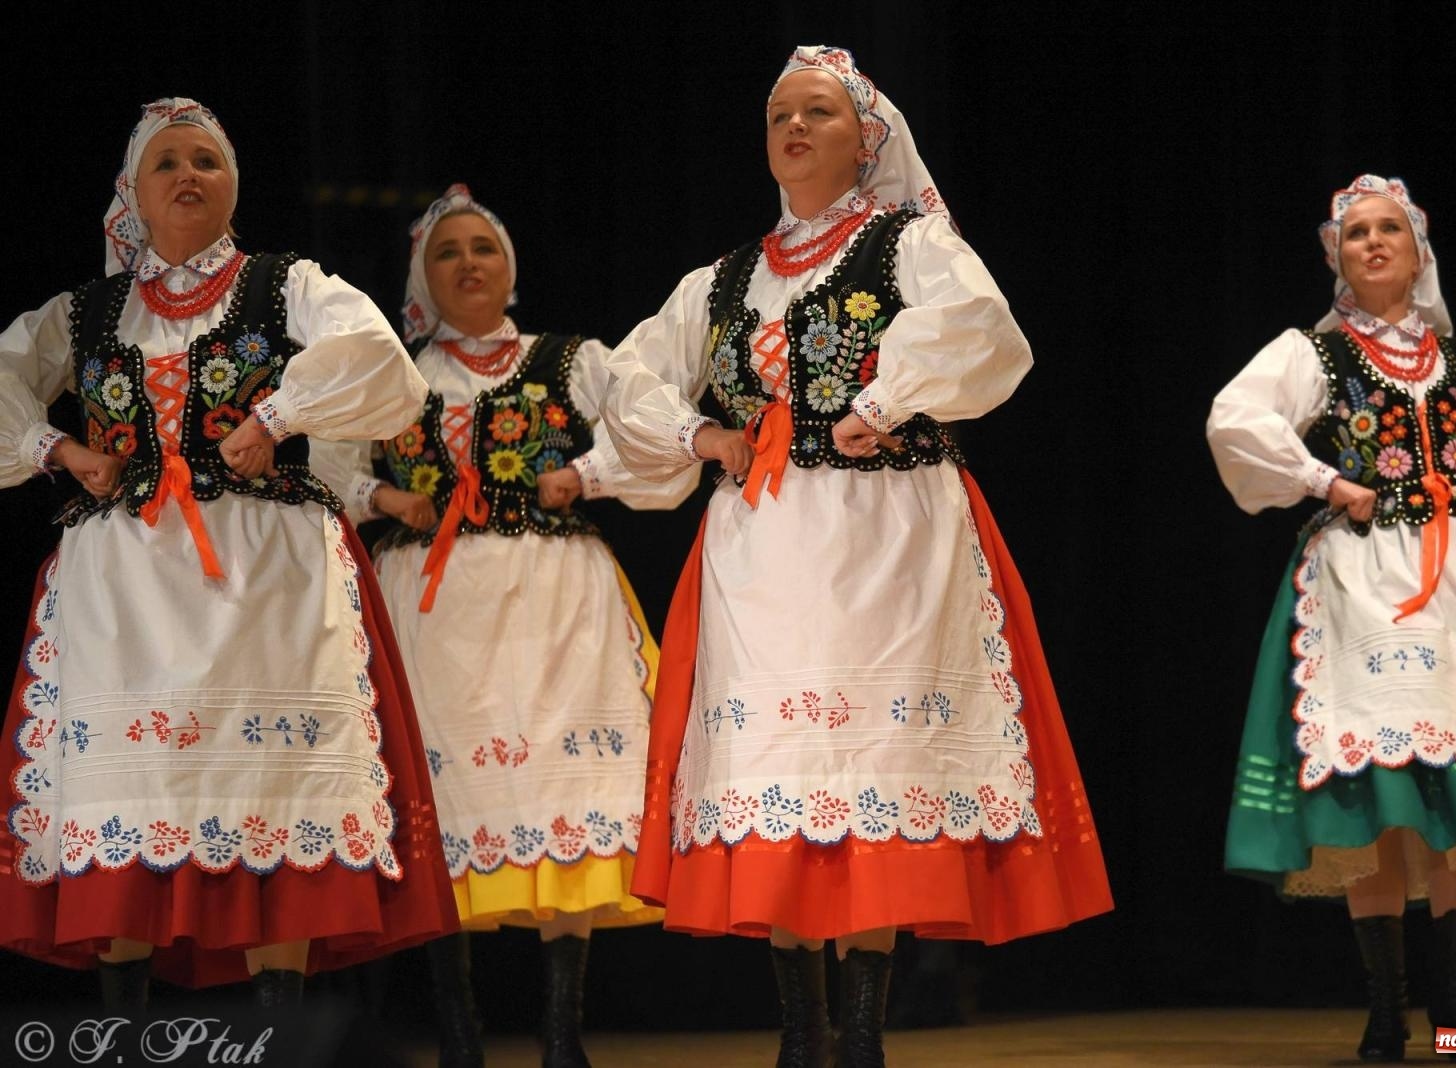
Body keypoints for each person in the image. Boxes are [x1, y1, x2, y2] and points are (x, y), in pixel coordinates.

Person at [601, 45, 1113, 1066]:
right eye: (780, 114)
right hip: (763, 545)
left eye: (819, 112)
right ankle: (803, 1034)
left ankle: (864, 1034)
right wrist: (700, 435)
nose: (794, 127)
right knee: (783, 768)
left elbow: (983, 331)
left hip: (888, 534)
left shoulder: (908, 243)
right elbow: (626, 378)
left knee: (874, 765)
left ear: (867, 138)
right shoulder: (723, 279)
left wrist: (882, 403)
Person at [0, 98, 455, 1009]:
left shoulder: (285, 285)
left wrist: (277, 416)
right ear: (132, 191)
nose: (187, 176)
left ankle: (277, 1035)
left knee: (270, 792)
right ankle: (126, 1035)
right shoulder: (85, 313)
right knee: (132, 797)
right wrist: (59, 449)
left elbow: (378, 359)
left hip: (263, 577)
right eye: (167, 162)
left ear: (232, 185)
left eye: (206, 161)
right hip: (124, 585)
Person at [1207, 174, 1456, 1063]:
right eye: (1356, 233)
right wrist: (1325, 481)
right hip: (1365, 579)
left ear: (1420, 252)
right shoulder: (1314, 355)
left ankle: (1455, 1006)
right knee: (1383, 788)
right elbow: (1237, 422)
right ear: (1336, 256)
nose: (1374, 243)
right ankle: (1386, 1009)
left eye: (1390, 229)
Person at [311, 183, 697, 1068]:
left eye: (482, 248)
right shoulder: (391, 373)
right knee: (445, 802)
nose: (468, 264)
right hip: (433, 606)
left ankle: (562, 1033)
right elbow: (326, 466)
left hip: (556, 600)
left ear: (509, 268)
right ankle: (459, 1033)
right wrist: (385, 499)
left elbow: (655, 428)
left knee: (565, 792)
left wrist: (587, 476)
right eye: (446, 252)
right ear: (422, 276)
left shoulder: (572, 360)